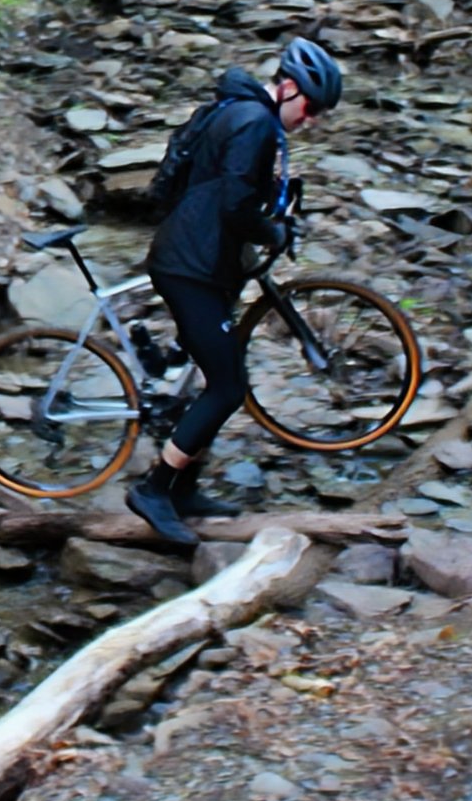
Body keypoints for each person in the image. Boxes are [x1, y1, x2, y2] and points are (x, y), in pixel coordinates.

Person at [126, 37, 344, 547]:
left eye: (320, 115)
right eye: (310, 108)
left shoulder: (242, 111)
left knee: (213, 376)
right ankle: (154, 490)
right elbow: (235, 206)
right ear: (288, 88)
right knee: (228, 387)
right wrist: (274, 233)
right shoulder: (252, 124)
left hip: (203, 259)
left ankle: (186, 489)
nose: (310, 121)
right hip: (191, 267)